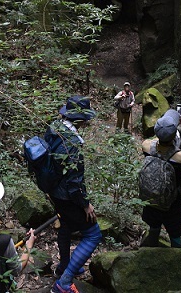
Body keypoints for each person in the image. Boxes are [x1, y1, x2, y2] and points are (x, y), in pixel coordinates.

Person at [45, 95, 102, 293]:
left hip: (53, 191)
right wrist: (85, 204)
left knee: (67, 226)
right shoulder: (72, 144)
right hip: (67, 196)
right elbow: (74, 182)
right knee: (93, 234)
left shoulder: (54, 129)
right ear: (80, 120)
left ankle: (64, 267)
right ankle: (64, 282)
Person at [140, 109, 181, 248]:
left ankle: (150, 250)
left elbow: (155, 141)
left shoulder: (146, 147)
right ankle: (176, 255)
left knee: (154, 226)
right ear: (175, 135)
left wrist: (163, 128)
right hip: (172, 202)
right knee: (174, 233)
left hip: (151, 197)